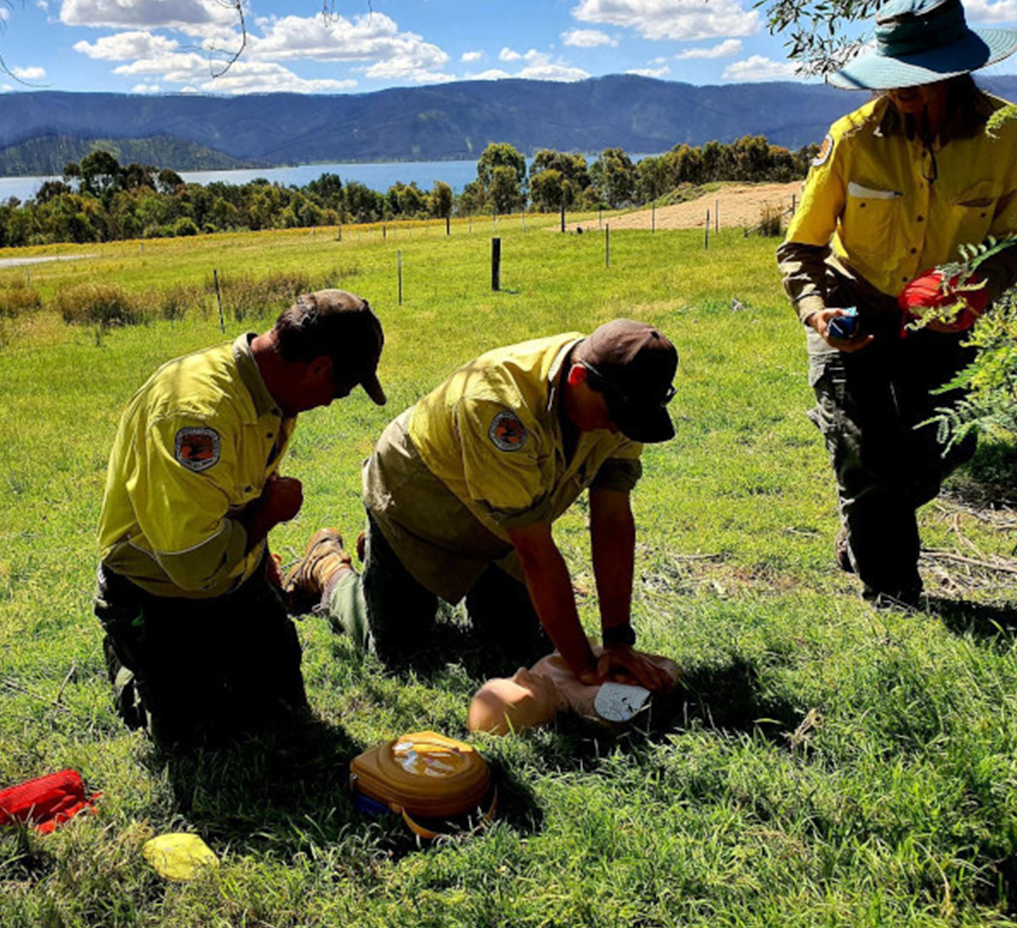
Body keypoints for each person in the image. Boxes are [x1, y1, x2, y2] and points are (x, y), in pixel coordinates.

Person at [777, 0, 1017, 609]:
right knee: (864, 455)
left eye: (918, 75)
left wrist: (979, 290)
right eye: (893, 74)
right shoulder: (852, 139)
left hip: (947, 323)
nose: (900, 88)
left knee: (942, 447)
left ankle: (867, 522)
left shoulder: (1010, 135)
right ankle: (892, 594)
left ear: (958, 67)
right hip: (850, 306)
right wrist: (818, 313)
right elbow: (799, 250)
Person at [283, 319, 679, 693]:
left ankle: (392, 567)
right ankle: (328, 567)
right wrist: (585, 668)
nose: (617, 429)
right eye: (614, 418)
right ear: (578, 379)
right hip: (420, 507)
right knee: (399, 651)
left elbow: (611, 521)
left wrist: (617, 641)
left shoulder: (622, 393)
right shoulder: (499, 405)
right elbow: (536, 553)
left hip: (505, 521)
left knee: (516, 644)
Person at [95, 289, 386, 747]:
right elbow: (191, 564)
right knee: (192, 737)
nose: (333, 402)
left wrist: (260, 560)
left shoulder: (270, 390)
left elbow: (236, 497)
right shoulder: (197, 417)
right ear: (318, 368)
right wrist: (269, 517)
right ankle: (130, 660)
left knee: (280, 707)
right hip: (159, 587)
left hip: (232, 572)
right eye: (342, 389)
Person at [467, 646, 682, 736]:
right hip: (653, 667)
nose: (522, 672)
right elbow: (660, 682)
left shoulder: (542, 673)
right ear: (539, 723)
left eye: (508, 678)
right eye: (519, 686)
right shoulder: (597, 706)